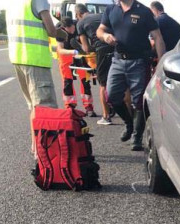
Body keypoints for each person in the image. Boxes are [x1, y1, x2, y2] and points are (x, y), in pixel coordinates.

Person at [97, 0, 165, 151]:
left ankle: (137, 136)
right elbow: (99, 31)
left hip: (139, 62)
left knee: (139, 100)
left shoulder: (144, 11)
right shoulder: (111, 9)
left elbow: (158, 37)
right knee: (112, 96)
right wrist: (106, 35)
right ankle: (129, 123)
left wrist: (161, 63)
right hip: (117, 60)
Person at [6, 0, 68, 156]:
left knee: (34, 107)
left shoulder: (14, 4)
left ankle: (36, 146)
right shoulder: (38, 1)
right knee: (45, 108)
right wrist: (64, 34)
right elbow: (52, 31)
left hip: (18, 58)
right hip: (35, 60)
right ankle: (47, 153)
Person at [75, 3, 114, 125]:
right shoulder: (102, 15)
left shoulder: (80, 23)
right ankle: (129, 114)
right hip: (117, 47)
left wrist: (91, 48)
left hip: (102, 50)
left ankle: (106, 116)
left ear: (78, 14)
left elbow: (86, 48)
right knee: (122, 80)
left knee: (103, 83)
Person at [56, 17, 96, 116]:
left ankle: (88, 106)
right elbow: (60, 49)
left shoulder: (79, 25)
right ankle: (70, 107)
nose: (70, 30)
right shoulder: (59, 30)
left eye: (71, 27)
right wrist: (73, 51)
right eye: (67, 29)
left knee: (85, 81)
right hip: (65, 56)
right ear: (64, 28)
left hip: (80, 55)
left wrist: (81, 50)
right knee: (67, 82)